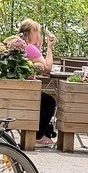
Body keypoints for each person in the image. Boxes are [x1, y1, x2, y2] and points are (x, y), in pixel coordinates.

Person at [19, 19, 59, 149]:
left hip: (21, 88)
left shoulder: (23, 45)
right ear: (32, 32)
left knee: (45, 101)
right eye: (37, 32)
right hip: (28, 90)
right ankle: (39, 136)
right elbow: (47, 68)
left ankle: (43, 135)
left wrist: (40, 46)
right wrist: (49, 48)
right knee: (50, 102)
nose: (39, 35)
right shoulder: (30, 48)